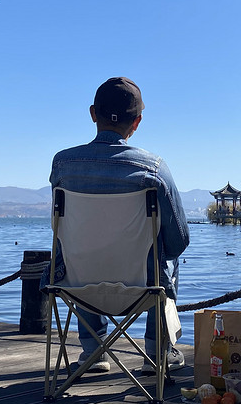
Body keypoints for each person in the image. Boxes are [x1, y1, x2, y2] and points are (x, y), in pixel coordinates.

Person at [46, 77, 190, 374]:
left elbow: (60, 230)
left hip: (75, 284)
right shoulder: (153, 168)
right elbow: (179, 240)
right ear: (137, 122)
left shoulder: (63, 164)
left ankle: (94, 351)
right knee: (168, 260)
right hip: (143, 286)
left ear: (92, 114)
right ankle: (156, 353)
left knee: (82, 250)